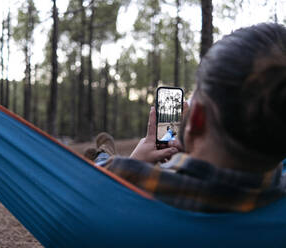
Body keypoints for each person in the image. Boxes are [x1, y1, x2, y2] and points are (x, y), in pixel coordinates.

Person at [85, 23, 286, 213]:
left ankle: (103, 152)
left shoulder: (123, 175)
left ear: (196, 119)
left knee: (101, 157)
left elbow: (84, 194)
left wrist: (135, 160)